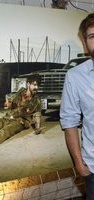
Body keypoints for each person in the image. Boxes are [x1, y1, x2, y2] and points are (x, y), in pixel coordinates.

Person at [60, 13, 94, 200]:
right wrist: (79, 165)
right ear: (85, 42)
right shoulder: (75, 76)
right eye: (92, 36)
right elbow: (69, 122)